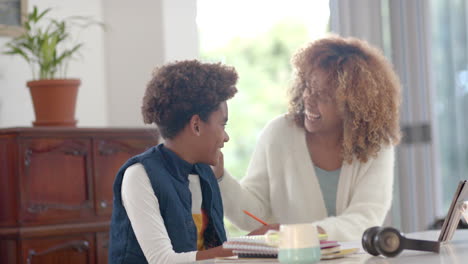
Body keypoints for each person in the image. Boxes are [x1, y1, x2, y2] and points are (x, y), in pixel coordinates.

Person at [214, 35, 401, 241]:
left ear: (354, 105)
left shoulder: (376, 145)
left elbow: (365, 220)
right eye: (308, 87)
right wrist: (220, 177)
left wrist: (299, 234)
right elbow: (251, 216)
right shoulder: (279, 133)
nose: (308, 100)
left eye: (323, 95)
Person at [109, 60, 238, 263]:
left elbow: (210, 250)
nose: (226, 137)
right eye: (223, 125)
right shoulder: (139, 175)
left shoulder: (206, 172)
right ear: (196, 125)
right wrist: (244, 249)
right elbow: (162, 260)